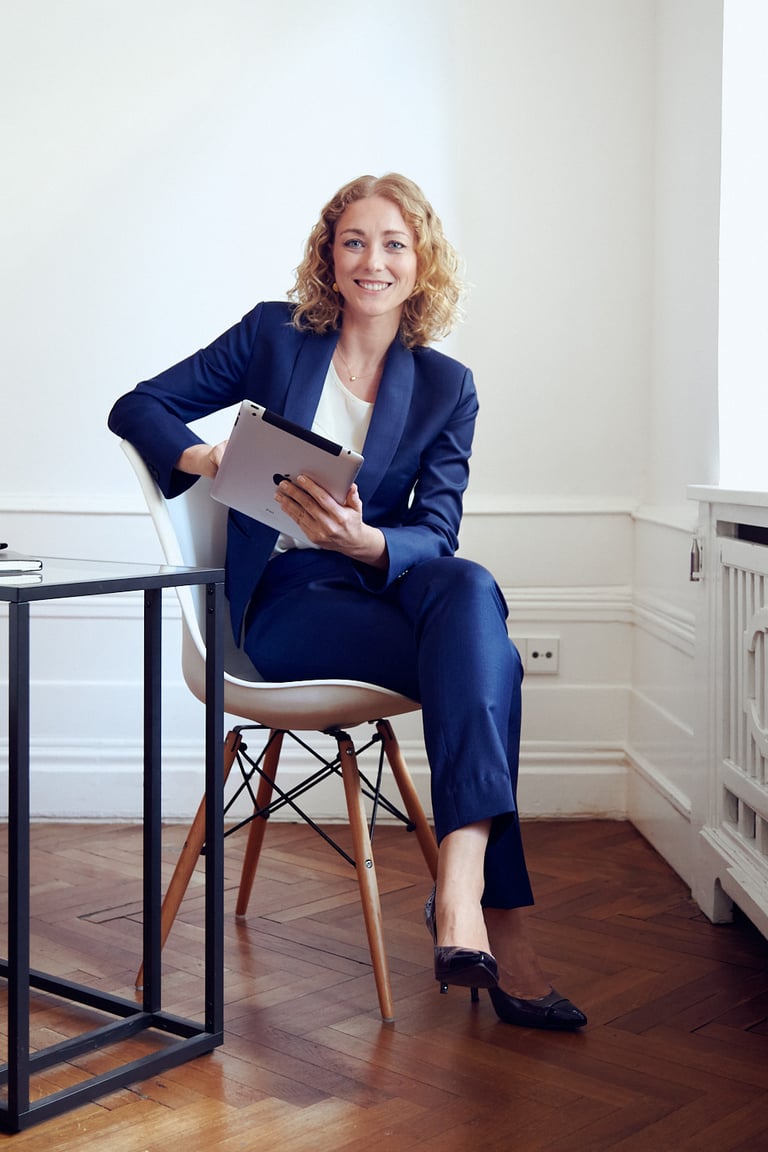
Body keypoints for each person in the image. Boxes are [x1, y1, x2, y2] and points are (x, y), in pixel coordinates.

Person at [109, 173, 586, 1030]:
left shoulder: (447, 386)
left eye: (395, 243)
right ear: (330, 256)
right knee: (493, 667)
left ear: (421, 263)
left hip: (382, 585)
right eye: (356, 241)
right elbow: (137, 405)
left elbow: (435, 530)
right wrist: (205, 460)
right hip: (287, 606)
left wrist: (365, 543)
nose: (374, 260)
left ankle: (459, 886)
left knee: (469, 583)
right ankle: (485, 916)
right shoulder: (274, 336)